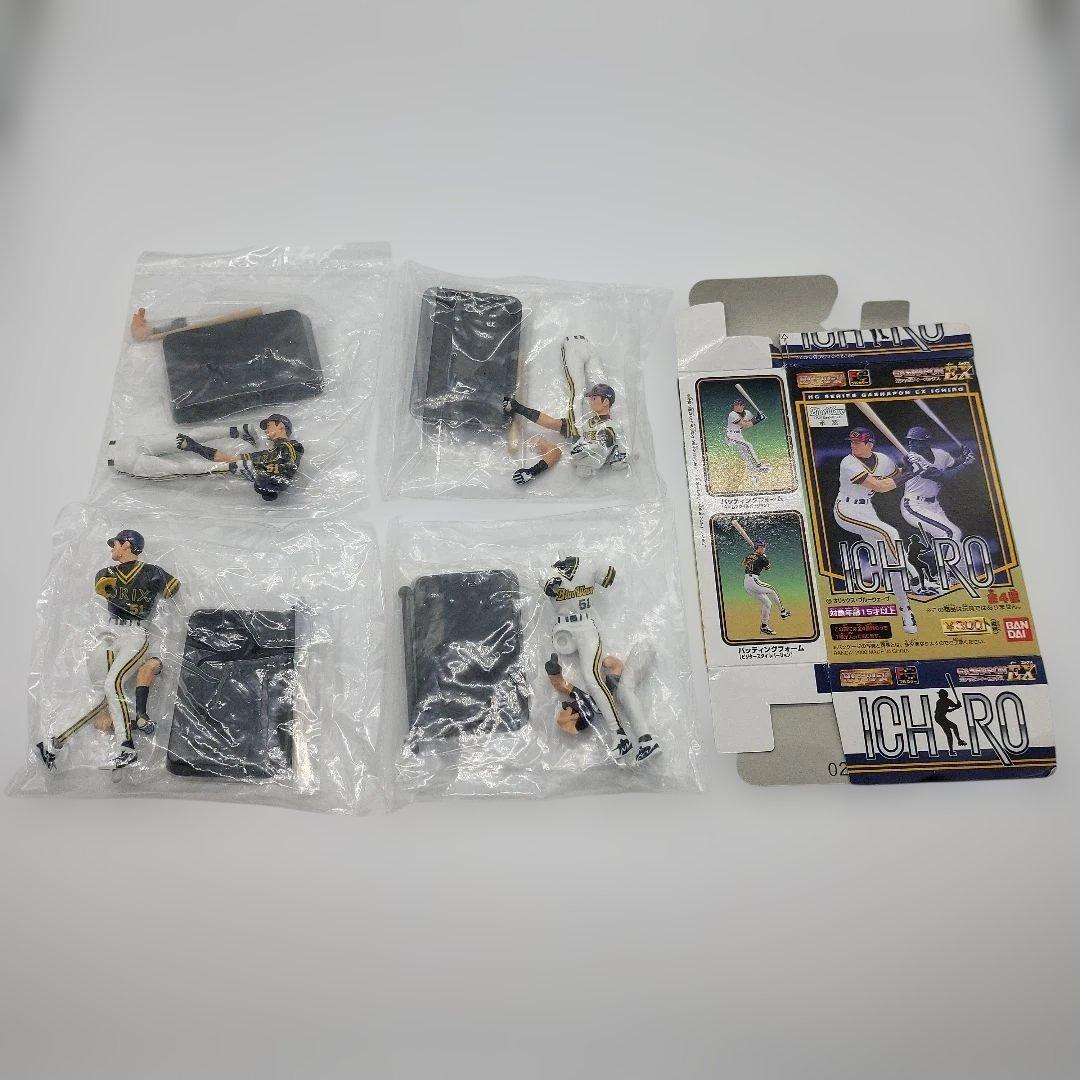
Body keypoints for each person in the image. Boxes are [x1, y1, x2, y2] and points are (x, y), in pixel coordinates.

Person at [37, 529, 180, 771]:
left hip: (135, 634)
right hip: (110, 633)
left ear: (127, 545)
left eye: (115, 544)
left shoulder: (152, 572)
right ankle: (55, 743)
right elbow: (106, 589)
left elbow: (173, 588)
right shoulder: (106, 573)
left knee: (113, 684)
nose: (112, 548)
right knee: (99, 696)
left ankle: (127, 748)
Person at [503, 335, 628, 485]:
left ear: (605, 402)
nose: (590, 401)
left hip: (585, 443)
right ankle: (517, 407)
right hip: (583, 436)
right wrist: (518, 408)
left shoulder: (609, 426)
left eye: (594, 399)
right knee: (572, 401)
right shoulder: (587, 423)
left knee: (577, 393)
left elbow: (605, 443)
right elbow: (552, 425)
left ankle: (577, 350)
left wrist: (586, 448)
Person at [110, 413, 303, 502]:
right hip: (252, 470)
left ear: (281, 426)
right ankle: (237, 431)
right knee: (186, 456)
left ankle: (237, 430)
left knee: (193, 464)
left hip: (255, 473)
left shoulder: (289, 447)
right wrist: (195, 447)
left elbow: (229, 460)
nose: (266, 430)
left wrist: (195, 447)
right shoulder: (275, 449)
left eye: (269, 425)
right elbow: (228, 458)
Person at [743, 540, 791, 636]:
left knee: (767, 603)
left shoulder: (748, 556)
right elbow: (768, 568)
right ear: (757, 548)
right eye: (761, 547)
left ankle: (764, 627)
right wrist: (763, 558)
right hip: (754, 581)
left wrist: (758, 557)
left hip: (747, 583)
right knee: (772, 590)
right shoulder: (762, 558)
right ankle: (783, 611)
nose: (763, 548)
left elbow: (744, 563)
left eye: (763, 547)